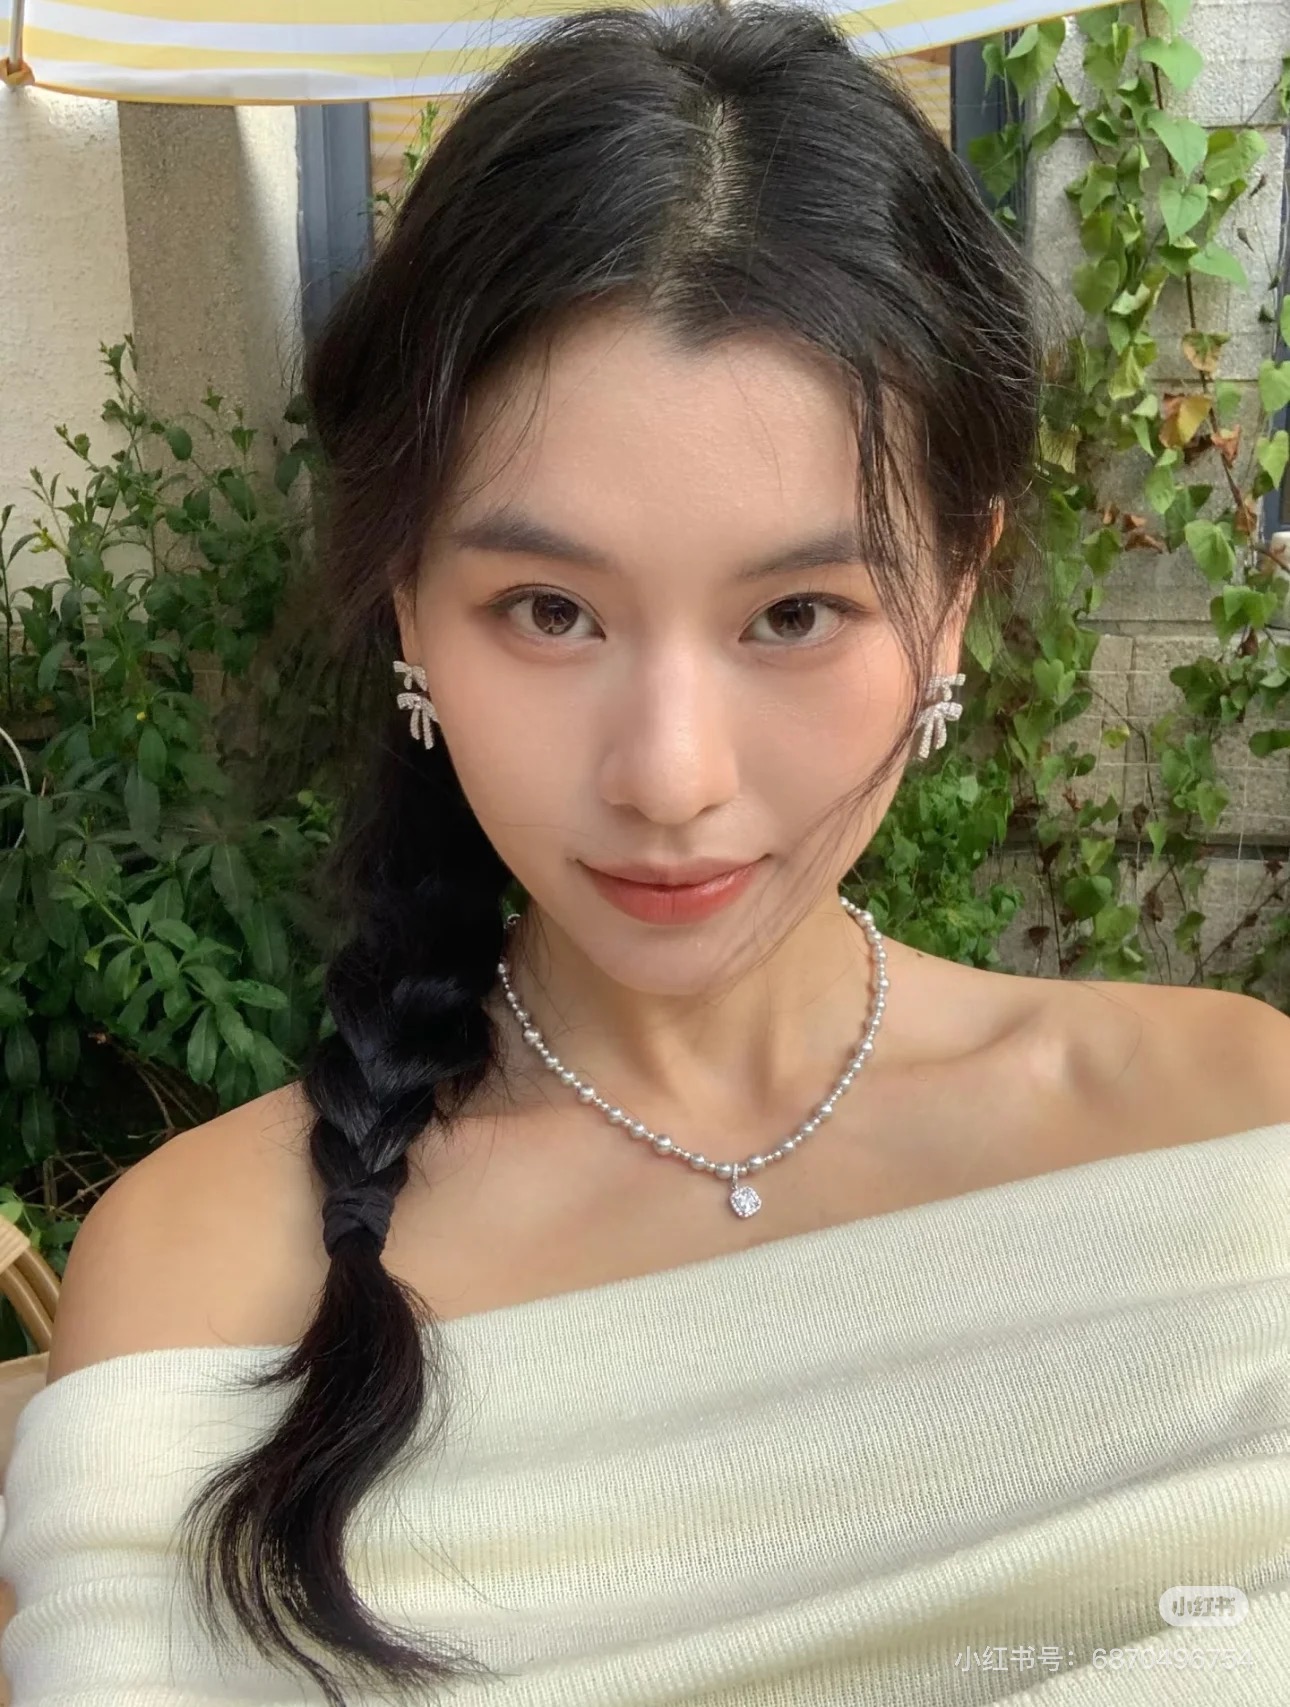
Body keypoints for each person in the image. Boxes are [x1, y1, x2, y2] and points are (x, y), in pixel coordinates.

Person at [2, 3, 1288, 1704]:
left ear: (953, 602)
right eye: (549, 610)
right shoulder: (202, 1274)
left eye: (794, 613)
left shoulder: (1233, 1147)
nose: (668, 777)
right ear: (408, 602)